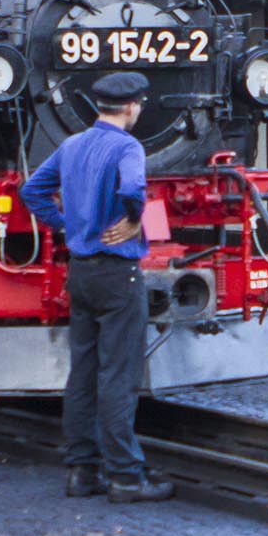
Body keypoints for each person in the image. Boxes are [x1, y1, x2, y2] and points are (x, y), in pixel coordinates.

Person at [21, 71, 173, 503]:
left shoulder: (71, 145)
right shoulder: (128, 146)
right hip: (117, 276)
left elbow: (33, 191)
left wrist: (66, 225)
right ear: (131, 107)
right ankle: (126, 476)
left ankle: (81, 472)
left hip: (81, 272)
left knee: (82, 374)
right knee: (118, 377)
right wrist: (132, 218)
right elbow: (133, 187)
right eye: (139, 105)